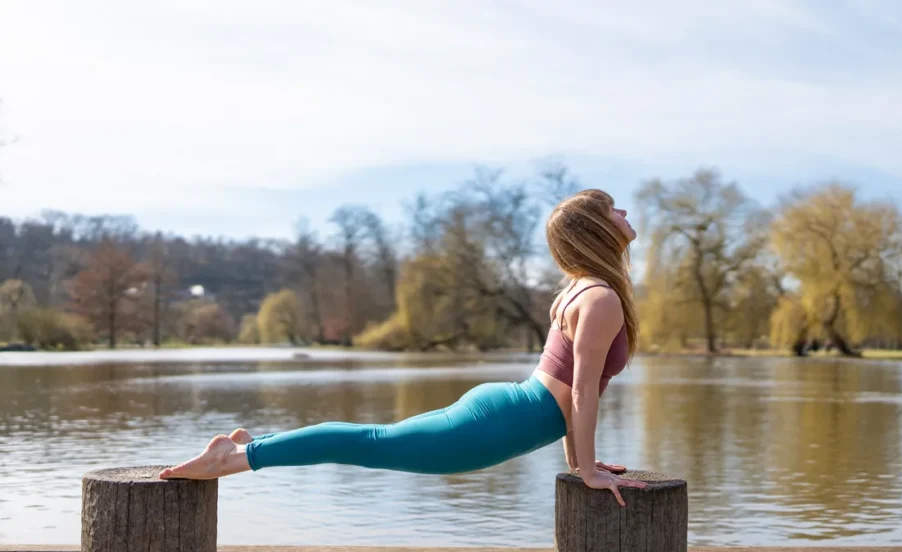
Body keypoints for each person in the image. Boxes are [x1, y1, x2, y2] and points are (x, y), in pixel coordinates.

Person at [160, 189, 648, 505]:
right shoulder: (600, 297)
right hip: (497, 424)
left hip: (506, 411)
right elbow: (580, 392)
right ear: (596, 230)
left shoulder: (584, 290)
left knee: (369, 439)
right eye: (613, 209)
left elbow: (574, 390)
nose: (624, 213)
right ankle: (236, 457)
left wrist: (582, 463)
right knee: (363, 443)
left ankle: (250, 447)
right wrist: (586, 470)